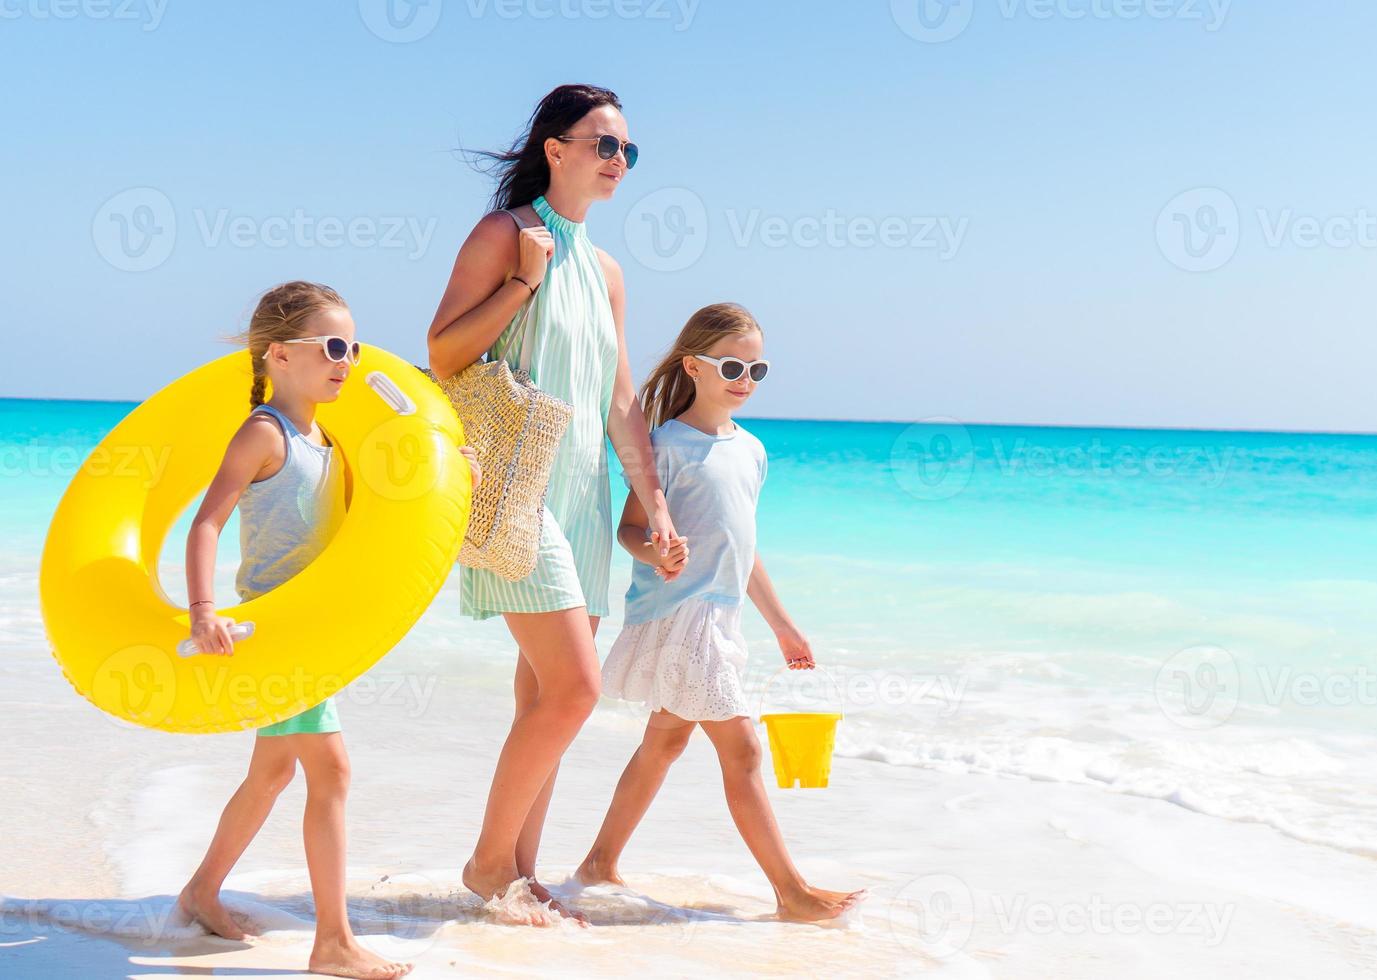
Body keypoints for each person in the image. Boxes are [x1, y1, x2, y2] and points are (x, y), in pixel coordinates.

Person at [172, 281, 479, 978]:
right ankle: (333, 942)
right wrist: (202, 611)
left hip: (313, 630)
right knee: (333, 771)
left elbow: (364, 517)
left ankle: (200, 891)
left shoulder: (327, 436)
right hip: (277, 634)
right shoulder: (264, 433)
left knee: (274, 771)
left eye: (354, 346)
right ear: (280, 356)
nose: (348, 360)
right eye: (333, 347)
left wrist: (449, 479)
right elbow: (207, 521)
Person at [426, 83, 680, 925]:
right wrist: (523, 286)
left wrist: (655, 505)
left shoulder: (607, 272)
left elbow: (618, 404)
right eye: (603, 145)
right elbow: (443, 353)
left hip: (582, 494)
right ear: (555, 149)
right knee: (575, 689)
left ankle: (518, 877)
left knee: (543, 695)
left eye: (627, 151)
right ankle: (488, 861)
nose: (617, 162)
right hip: (515, 489)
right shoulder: (506, 236)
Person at [574, 303, 866, 922]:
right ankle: (791, 892)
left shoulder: (753, 452)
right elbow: (628, 529)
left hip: (720, 615)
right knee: (743, 750)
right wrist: (657, 550)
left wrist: (782, 625)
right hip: (680, 614)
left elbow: (744, 548)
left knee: (665, 741)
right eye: (732, 365)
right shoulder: (664, 446)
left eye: (757, 369)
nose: (745, 379)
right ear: (694, 367)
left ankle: (599, 864)